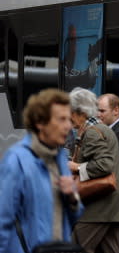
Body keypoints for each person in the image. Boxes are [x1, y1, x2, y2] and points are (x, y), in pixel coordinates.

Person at [0, 89, 83, 252]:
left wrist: (72, 198)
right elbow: (3, 220)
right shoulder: (16, 160)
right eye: (61, 119)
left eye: (69, 119)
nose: (68, 126)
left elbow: (74, 217)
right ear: (40, 123)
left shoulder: (59, 158)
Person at [67, 87, 119, 253]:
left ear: (80, 111)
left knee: (76, 249)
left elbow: (104, 165)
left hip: (98, 208)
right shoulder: (100, 129)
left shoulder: (92, 132)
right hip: (111, 206)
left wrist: (76, 167)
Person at [97, 93, 119, 166]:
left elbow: (111, 163)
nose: (98, 115)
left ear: (116, 110)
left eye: (102, 111)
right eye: (98, 111)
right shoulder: (110, 130)